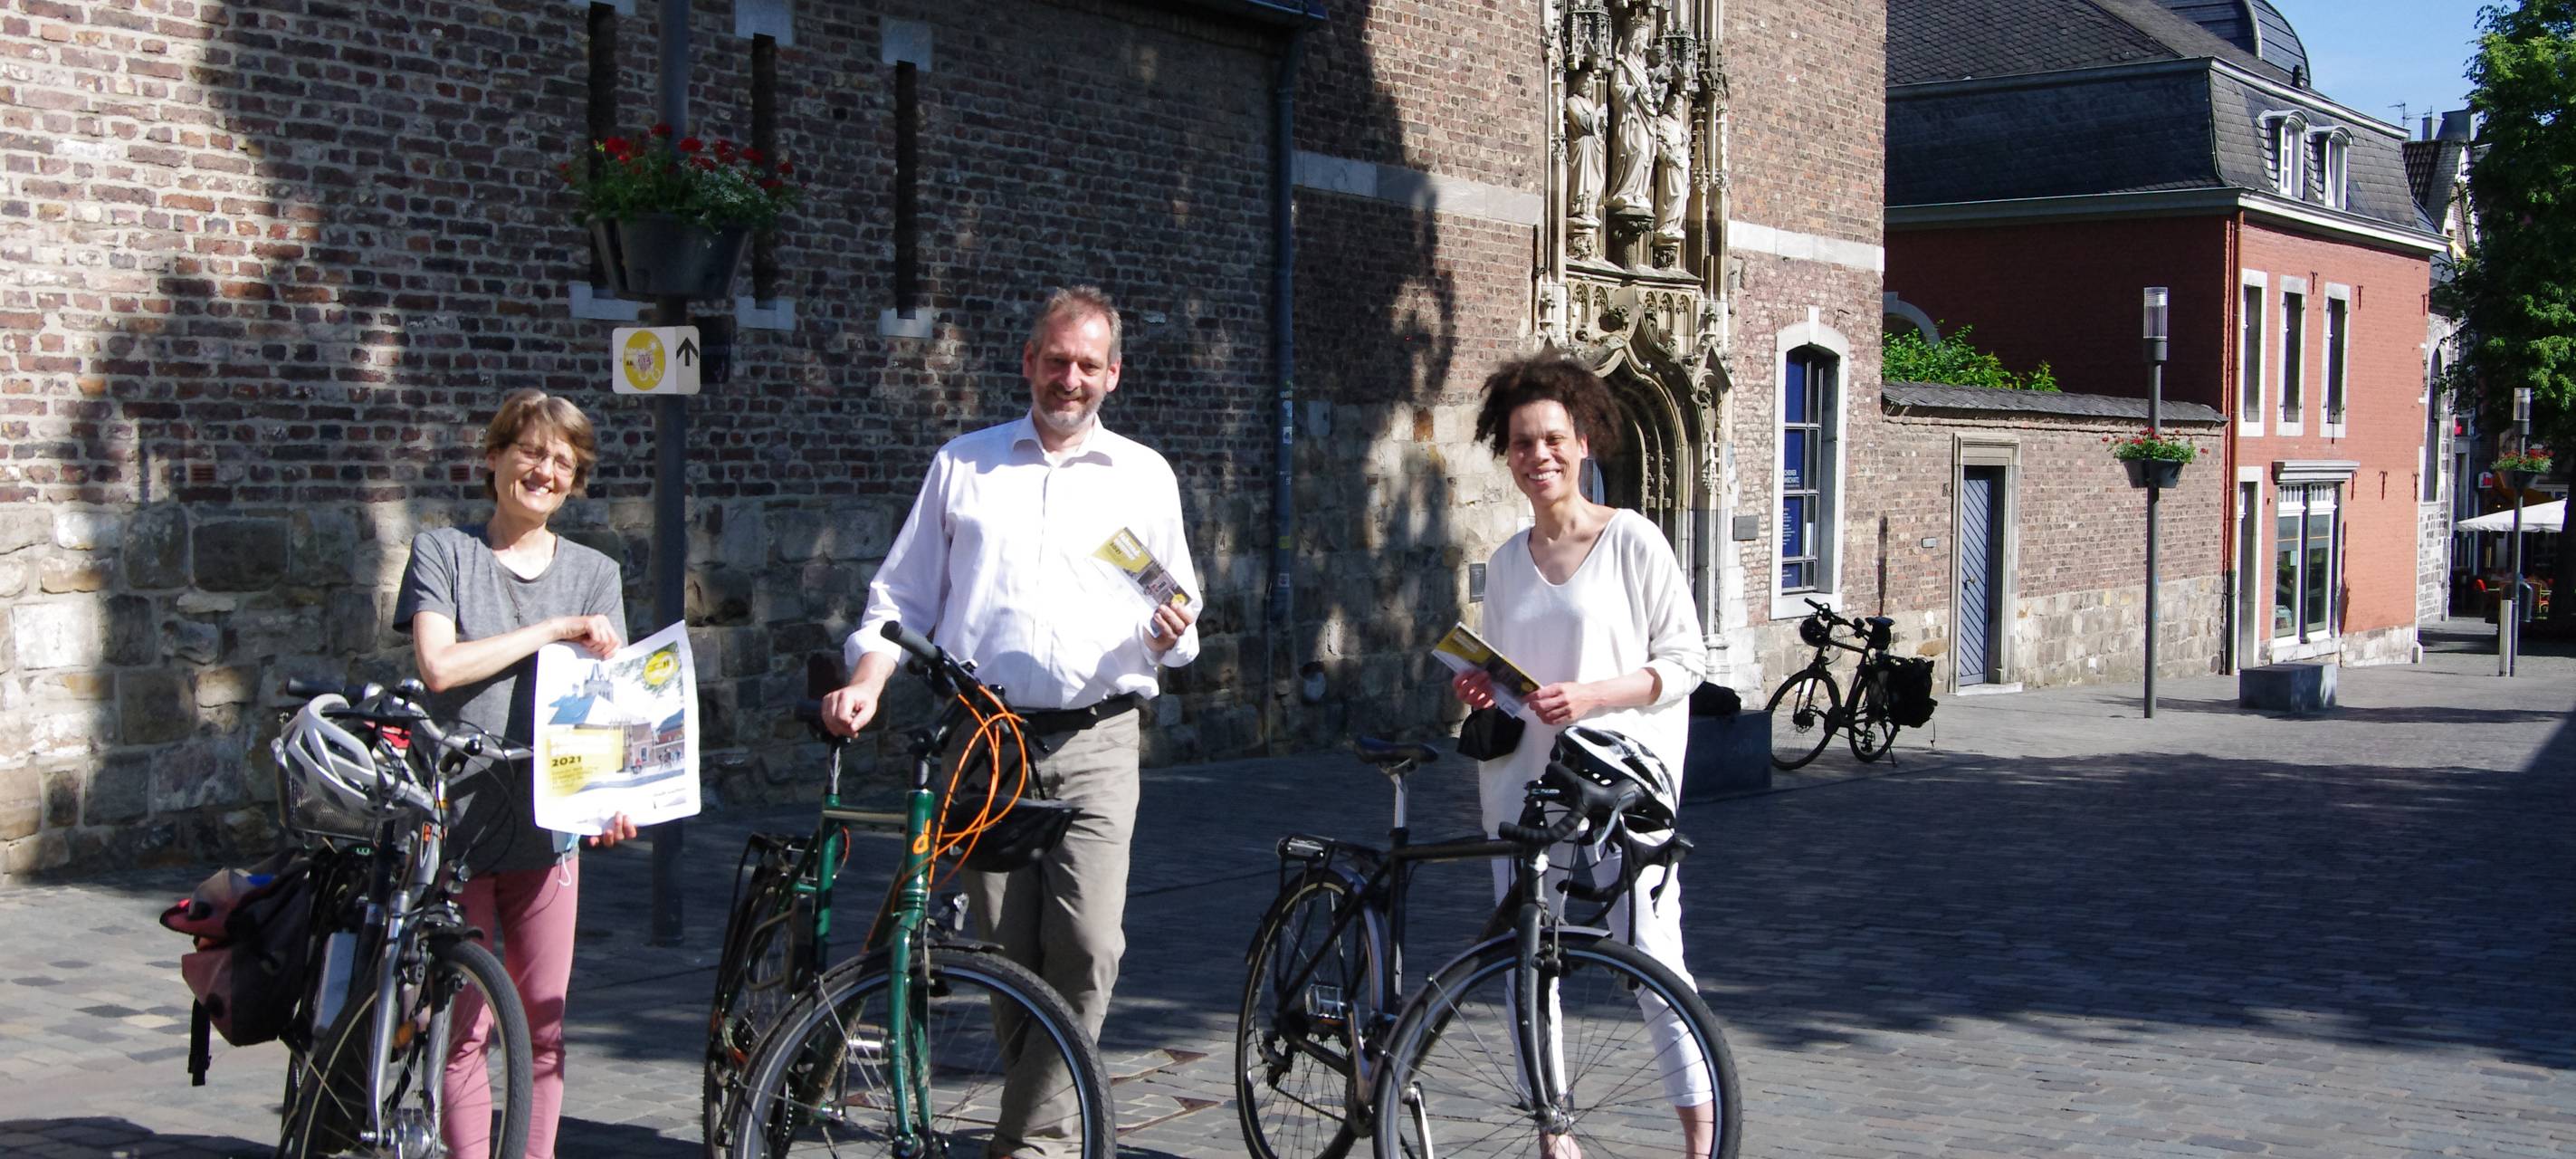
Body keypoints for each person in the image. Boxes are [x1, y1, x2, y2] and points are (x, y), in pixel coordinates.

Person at [821, 285, 1200, 1159]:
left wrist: (1173, 628)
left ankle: (1028, 1144)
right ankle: (1042, 1140)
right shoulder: (964, 465)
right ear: (1028, 361)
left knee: (1089, 946)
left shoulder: (1143, 475)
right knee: (1007, 956)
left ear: (1114, 375)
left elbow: (1176, 605)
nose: (1069, 379)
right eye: (1055, 360)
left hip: (1101, 738)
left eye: (1087, 366)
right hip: (985, 737)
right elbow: (899, 599)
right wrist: (870, 682)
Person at [1449, 355, 1715, 1159]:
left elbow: (1687, 661)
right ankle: (1551, 1136)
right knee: (1529, 963)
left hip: (1617, 789)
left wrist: (1593, 696)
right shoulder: (1502, 563)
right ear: (1509, 455)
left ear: (1584, 439)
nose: (1540, 457)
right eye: (1524, 444)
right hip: (1521, 789)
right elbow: (1504, 673)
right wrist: (1479, 689)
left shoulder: (1632, 540)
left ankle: (1703, 1136)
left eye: (1553, 440)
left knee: (1649, 955)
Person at [396, 388, 638, 1159]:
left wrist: (619, 793)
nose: (545, 471)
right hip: (457, 820)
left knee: (543, 1025)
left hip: (547, 825)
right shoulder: (444, 552)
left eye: (563, 462)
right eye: (531, 451)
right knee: (464, 1025)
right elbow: (439, 666)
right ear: (495, 456)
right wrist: (554, 629)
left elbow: (613, 702)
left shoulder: (597, 573)